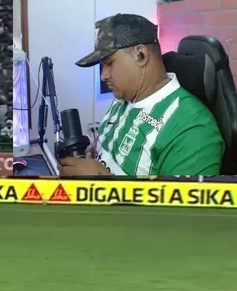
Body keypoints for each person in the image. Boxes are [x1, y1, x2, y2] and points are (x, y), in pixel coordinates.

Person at [62, 14, 223, 178]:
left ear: (141, 55)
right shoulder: (123, 97)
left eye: (109, 63)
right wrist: (95, 155)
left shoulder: (192, 129)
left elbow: (182, 196)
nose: (104, 76)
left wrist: (102, 182)